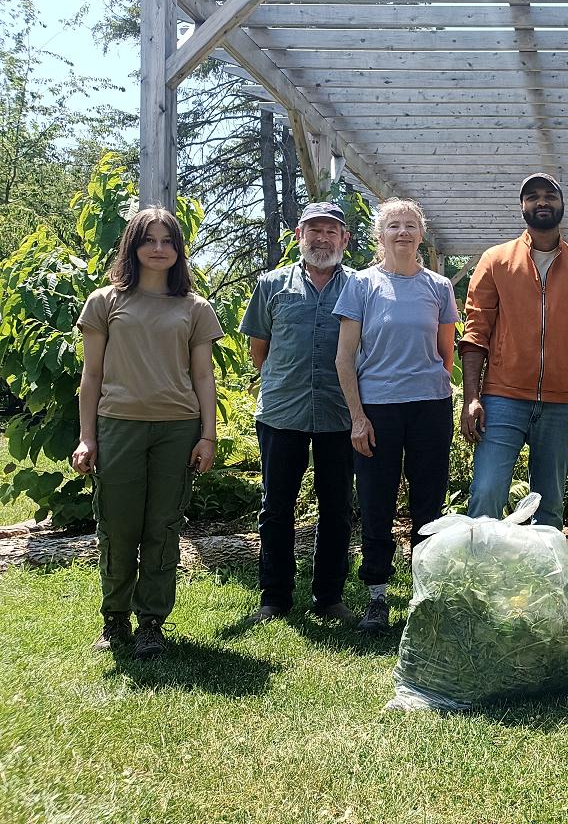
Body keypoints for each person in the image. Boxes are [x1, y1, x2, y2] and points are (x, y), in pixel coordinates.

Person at [71, 207, 223, 659]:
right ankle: (115, 618)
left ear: (179, 250)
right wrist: (86, 436)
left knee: (163, 527)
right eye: (149, 240)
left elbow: (203, 377)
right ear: (133, 246)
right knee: (117, 527)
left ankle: (151, 623)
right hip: (118, 427)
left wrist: (208, 435)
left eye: (168, 241)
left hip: (178, 430)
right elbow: (91, 376)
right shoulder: (104, 301)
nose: (159, 249)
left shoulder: (195, 308)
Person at [334, 198, 458, 632]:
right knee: (376, 503)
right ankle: (377, 596)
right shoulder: (361, 285)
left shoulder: (439, 287)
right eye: (393, 226)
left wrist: (430, 388)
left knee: (429, 505)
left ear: (421, 234)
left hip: (430, 408)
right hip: (377, 411)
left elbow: (445, 354)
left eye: (410, 225)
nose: (402, 232)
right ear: (380, 235)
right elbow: (344, 358)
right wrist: (358, 417)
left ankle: (426, 597)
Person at [459, 173, 568, 530]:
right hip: (502, 399)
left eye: (549, 195)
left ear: (562, 204)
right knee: (487, 493)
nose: (542, 201)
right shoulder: (496, 260)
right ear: (522, 206)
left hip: (560, 403)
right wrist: (472, 398)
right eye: (533, 196)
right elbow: (476, 332)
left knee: (550, 506)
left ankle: (543, 567)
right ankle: (481, 565)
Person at [239, 201, 356, 624]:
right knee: (276, 507)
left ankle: (329, 597)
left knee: (337, 507)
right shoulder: (271, 285)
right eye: (314, 230)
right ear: (299, 236)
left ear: (344, 239)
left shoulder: (359, 288)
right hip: (281, 413)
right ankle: (275, 597)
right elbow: (259, 351)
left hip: (340, 414)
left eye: (331, 231)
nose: (322, 239)